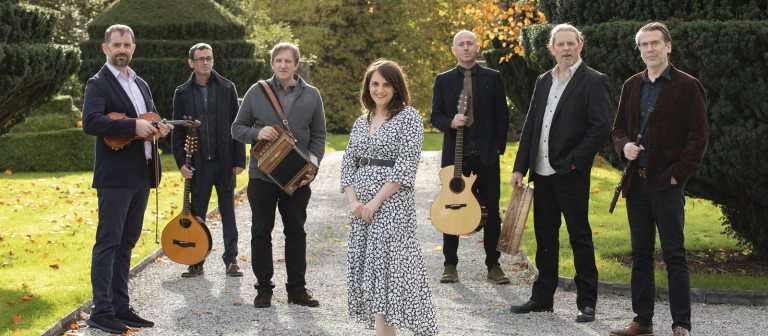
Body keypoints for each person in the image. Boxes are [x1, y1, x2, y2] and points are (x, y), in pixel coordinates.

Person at [609, 22, 708, 336]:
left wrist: (678, 176)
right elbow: (618, 129)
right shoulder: (631, 85)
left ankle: (681, 324)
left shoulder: (688, 86)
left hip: (667, 184)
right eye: (644, 45)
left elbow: (699, 138)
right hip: (636, 183)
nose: (649, 49)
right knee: (640, 255)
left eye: (655, 43)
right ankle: (642, 321)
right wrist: (624, 146)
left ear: (668, 47)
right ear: (639, 50)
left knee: (674, 255)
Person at [509, 23, 612, 322]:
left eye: (571, 43)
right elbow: (531, 126)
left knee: (580, 236)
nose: (566, 48)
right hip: (540, 173)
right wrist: (520, 167)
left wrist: (573, 161)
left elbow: (600, 127)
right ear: (551, 49)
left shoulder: (595, 81)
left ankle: (587, 302)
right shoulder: (543, 80)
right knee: (545, 238)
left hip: (571, 174)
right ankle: (542, 298)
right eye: (560, 44)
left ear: (581, 45)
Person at [81, 24, 172, 334]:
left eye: (127, 45)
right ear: (105, 48)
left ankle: (120, 306)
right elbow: (92, 122)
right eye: (116, 44)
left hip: (141, 174)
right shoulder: (98, 83)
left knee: (127, 243)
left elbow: (152, 117)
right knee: (108, 243)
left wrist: (160, 127)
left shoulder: (140, 83)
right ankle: (101, 311)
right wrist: (133, 127)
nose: (122, 49)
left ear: (134, 48)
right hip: (115, 176)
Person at [341, 59, 439, 336]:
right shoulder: (362, 122)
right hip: (361, 208)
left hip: (391, 206)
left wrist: (375, 202)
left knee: (387, 272)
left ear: (397, 88)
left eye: (386, 84)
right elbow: (348, 164)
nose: (380, 89)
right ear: (367, 87)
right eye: (374, 83)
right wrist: (354, 202)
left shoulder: (409, 118)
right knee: (368, 271)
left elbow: (406, 165)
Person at [232, 42, 326, 308]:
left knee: (296, 232)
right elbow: (237, 129)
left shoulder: (312, 95)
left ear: (296, 65)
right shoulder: (256, 91)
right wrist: (256, 134)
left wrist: (314, 163)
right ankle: (264, 289)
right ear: (272, 63)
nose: (283, 65)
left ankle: (297, 290)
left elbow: (319, 134)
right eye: (278, 61)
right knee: (261, 232)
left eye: (288, 61)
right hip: (262, 176)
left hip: (297, 178)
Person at [430, 30, 510, 285]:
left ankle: (493, 265)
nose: (466, 48)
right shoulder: (443, 80)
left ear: (477, 48)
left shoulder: (493, 77)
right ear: (454, 50)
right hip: (455, 157)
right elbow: (435, 117)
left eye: (470, 44)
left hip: (486, 157)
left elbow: (501, 116)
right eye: (460, 44)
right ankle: (450, 265)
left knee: (492, 211)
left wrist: (497, 147)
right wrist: (450, 122)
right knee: (451, 207)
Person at [171, 43, 246, 278]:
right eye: (200, 59)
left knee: (228, 213)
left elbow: (238, 124)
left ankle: (231, 260)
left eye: (209, 58)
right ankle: (196, 260)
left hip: (224, 163)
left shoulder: (227, 87)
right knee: (197, 214)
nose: (205, 62)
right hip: (198, 164)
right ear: (191, 63)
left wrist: (238, 159)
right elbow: (178, 131)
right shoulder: (182, 92)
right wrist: (182, 163)